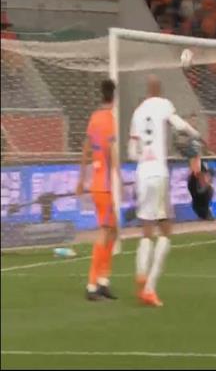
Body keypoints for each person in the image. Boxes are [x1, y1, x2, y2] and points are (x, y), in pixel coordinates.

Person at [128, 75, 201, 307]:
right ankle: (150, 288)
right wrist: (196, 134)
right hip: (158, 173)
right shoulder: (164, 105)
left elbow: (131, 153)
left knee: (146, 229)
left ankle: (141, 275)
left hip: (142, 172)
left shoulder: (137, 113)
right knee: (166, 228)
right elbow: (180, 126)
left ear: (146, 91)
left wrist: (144, 154)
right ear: (160, 90)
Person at [77, 79, 120, 301]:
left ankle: (103, 280)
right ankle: (92, 284)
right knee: (105, 231)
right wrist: (119, 176)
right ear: (114, 97)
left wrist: (80, 180)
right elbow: (112, 151)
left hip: (96, 183)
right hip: (105, 185)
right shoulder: (110, 120)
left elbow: (86, 149)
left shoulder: (94, 118)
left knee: (113, 230)